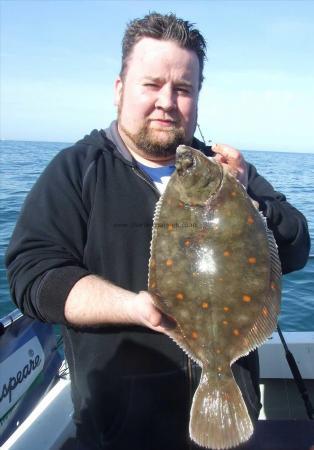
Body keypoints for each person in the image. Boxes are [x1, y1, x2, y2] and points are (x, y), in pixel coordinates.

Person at [5, 12, 310, 450]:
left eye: (183, 89)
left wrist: (250, 201)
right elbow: (31, 276)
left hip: (229, 418)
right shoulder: (77, 170)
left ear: (198, 98)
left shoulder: (226, 172)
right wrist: (134, 307)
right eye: (151, 84)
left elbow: (298, 247)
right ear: (119, 90)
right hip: (121, 432)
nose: (167, 101)